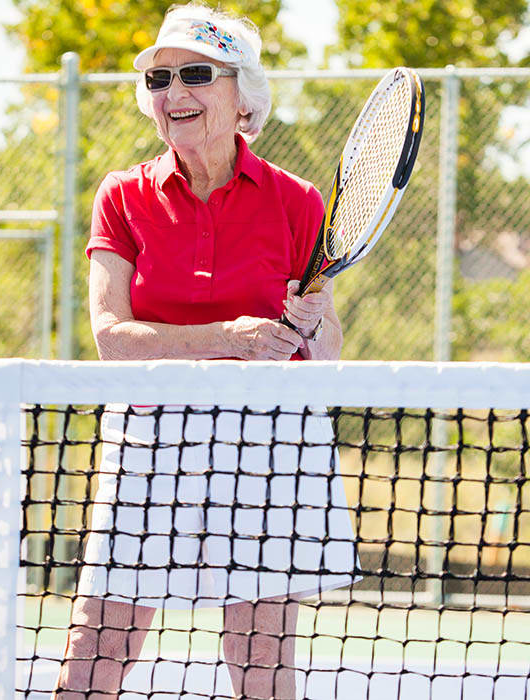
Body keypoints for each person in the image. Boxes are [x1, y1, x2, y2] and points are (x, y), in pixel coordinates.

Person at [54, 3, 359, 698]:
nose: (174, 93)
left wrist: (310, 325)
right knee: (97, 644)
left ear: (242, 96)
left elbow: (328, 351)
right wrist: (232, 338)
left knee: (260, 652)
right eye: (160, 79)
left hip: (270, 439)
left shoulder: (299, 201)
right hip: (151, 432)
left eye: (196, 74)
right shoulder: (121, 197)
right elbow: (110, 337)